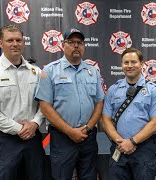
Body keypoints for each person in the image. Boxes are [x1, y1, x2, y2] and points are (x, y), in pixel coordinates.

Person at [35, 28, 104, 180]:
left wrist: (88, 127)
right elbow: (45, 106)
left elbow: (99, 102)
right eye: (71, 42)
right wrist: (70, 131)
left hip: (88, 137)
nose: (76, 46)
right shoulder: (50, 71)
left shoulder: (93, 71)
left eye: (79, 42)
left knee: (90, 176)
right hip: (62, 138)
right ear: (63, 45)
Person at [0, 25, 45, 180]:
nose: (15, 44)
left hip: (33, 140)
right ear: (1, 43)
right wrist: (20, 129)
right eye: (10, 40)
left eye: (18, 40)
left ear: (23, 43)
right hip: (5, 141)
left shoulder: (36, 72)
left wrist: (34, 123)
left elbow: (45, 104)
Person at [102, 47, 156, 179]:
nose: (129, 66)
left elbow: (155, 123)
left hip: (143, 149)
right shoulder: (113, 90)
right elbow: (106, 120)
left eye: (133, 62)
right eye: (126, 62)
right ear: (121, 65)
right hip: (118, 148)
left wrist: (132, 142)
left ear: (141, 64)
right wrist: (121, 142)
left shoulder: (154, 90)